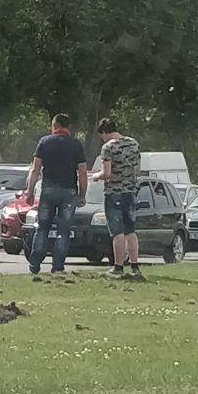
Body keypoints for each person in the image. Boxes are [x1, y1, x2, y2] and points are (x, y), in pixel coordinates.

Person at [24, 114, 87, 275]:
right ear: (68, 127)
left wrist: (29, 192)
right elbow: (82, 173)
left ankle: (35, 263)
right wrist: (82, 194)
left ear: (55, 126)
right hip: (68, 191)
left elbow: (35, 169)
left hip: (48, 190)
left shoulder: (44, 142)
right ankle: (58, 266)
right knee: (63, 230)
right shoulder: (76, 145)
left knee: (42, 227)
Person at [90, 117, 141, 277]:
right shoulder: (133, 144)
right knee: (130, 230)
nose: (103, 139)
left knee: (117, 232)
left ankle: (118, 266)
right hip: (130, 191)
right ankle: (134, 266)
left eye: (102, 136)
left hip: (114, 192)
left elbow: (107, 173)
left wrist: (96, 176)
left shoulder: (108, 147)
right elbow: (138, 169)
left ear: (104, 132)